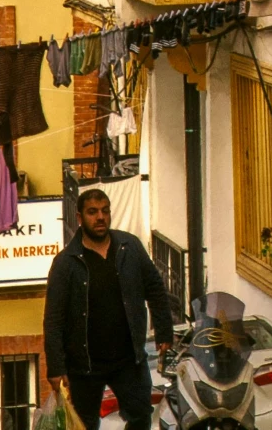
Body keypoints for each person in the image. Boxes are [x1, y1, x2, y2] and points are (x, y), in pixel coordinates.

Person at [44, 183, 176, 430]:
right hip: (85, 365)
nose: (101, 217)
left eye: (105, 211)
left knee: (140, 416)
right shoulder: (66, 263)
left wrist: (164, 331)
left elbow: (155, 288)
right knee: (84, 424)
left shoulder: (129, 247)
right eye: (93, 212)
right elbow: (53, 319)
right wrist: (56, 367)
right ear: (81, 218)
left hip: (128, 359)